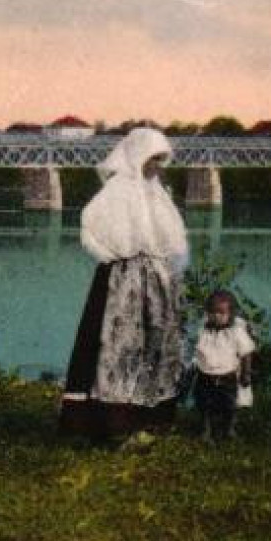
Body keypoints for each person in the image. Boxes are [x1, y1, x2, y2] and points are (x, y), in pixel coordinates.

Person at [60, 127, 189, 441]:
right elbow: (91, 226)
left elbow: (173, 236)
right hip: (122, 277)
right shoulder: (117, 189)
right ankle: (110, 423)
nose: (156, 167)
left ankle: (151, 419)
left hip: (155, 277)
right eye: (151, 159)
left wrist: (169, 265)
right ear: (137, 156)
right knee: (116, 343)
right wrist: (114, 255)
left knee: (154, 343)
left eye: (160, 160)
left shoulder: (157, 192)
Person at [190, 289, 256, 443]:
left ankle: (229, 430)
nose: (216, 316)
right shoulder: (203, 329)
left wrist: (246, 373)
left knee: (230, 406)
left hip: (227, 377)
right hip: (205, 375)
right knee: (204, 404)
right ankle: (205, 432)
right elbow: (194, 348)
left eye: (221, 312)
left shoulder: (236, 332)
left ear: (231, 314)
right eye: (212, 312)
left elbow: (246, 353)